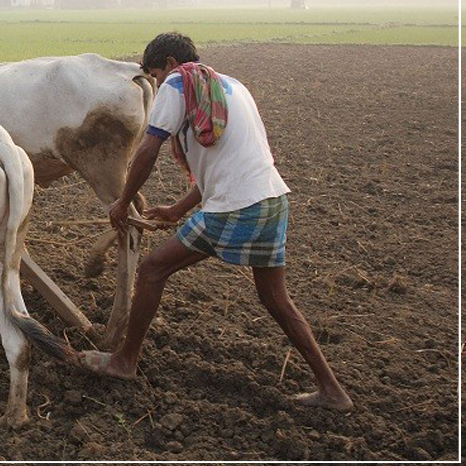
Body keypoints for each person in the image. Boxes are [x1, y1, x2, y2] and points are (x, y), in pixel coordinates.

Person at [78, 32, 353, 411]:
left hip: (234, 208)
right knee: (276, 300)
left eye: (155, 75)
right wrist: (176, 210)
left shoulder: (178, 82)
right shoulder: (232, 87)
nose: (157, 84)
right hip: (271, 200)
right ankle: (333, 391)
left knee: (154, 269)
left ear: (171, 64)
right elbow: (226, 164)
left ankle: (124, 361)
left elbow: (149, 147)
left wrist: (123, 201)